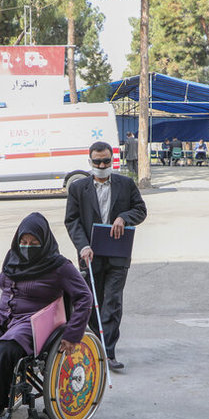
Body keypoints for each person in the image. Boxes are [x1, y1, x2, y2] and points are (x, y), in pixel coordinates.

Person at [0, 213, 94, 419]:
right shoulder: (13, 256)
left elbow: (84, 297)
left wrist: (73, 334)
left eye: (34, 242)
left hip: (33, 319)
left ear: (44, 241)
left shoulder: (59, 266)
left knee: (7, 347)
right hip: (2, 313)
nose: (27, 246)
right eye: (24, 241)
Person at [65, 141, 148, 371]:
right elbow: (71, 221)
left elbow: (140, 210)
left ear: (113, 159)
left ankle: (107, 353)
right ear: (89, 161)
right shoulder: (78, 188)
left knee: (112, 302)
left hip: (117, 255)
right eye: (97, 161)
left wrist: (124, 217)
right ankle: (97, 346)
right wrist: (82, 246)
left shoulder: (125, 184)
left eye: (106, 161)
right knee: (92, 302)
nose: (102, 165)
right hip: (90, 254)